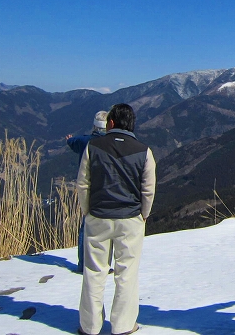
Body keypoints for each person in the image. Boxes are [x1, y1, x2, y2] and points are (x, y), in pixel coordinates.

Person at [76, 103, 156, 335]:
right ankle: (122, 325)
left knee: (94, 271)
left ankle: (90, 325)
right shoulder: (144, 151)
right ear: (132, 124)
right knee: (127, 272)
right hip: (130, 219)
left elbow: (83, 183)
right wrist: (144, 215)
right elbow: (148, 190)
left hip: (98, 216)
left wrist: (87, 211)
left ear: (111, 123)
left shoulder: (93, 146)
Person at [66, 110, 108, 273]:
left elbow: (74, 141)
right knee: (106, 228)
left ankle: (83, 263)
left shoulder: (85, 142)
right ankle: (103, 263)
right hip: (107, 189)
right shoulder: (112, 144)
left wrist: (69, 140)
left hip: (88, 189)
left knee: (86, 226)